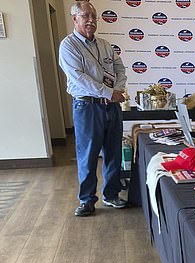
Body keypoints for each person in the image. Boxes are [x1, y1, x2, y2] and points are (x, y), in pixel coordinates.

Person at [59, 1, 128, 216]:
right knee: (88, 155)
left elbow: (119, 68)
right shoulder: (68, 46)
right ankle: (87, 200)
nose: (91, 20)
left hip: (111, 107)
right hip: (87, 107)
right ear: (75, 19)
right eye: (86, 16)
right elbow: (79, 79)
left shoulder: (105, 45)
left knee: (113, 152)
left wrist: (117, 90)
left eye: (94, 16)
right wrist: (108, 93)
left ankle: (111, 195)